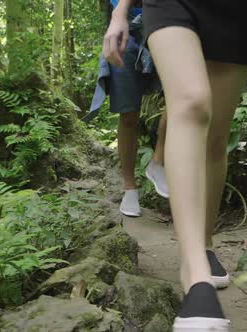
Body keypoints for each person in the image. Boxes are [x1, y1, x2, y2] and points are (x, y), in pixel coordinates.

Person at [103, 0, 247, 330]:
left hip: (238, 10)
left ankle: (205, 245)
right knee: (191, 103)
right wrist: (120, 12)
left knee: (215, 139)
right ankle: (195, 274)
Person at [89, 0, 169, 218]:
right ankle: (129, 188)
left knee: (180, 97)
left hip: (167, 24)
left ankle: (158, 162)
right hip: (127, 29)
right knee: (128, 114)